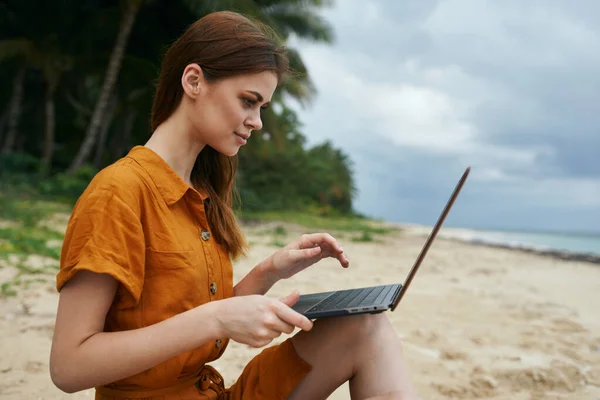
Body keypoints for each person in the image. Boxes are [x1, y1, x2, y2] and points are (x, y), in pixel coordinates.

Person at [50, 10, 420, 400]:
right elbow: (69, 366)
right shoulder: (119, 191)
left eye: (262, 107)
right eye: (248, 101)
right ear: (193, 80)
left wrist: (270, 270)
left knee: (366, 327)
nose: (257, 121)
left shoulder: (202, 192)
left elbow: (192, 317)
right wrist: (216, 319)